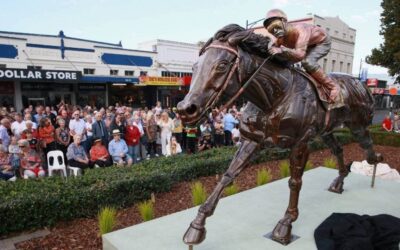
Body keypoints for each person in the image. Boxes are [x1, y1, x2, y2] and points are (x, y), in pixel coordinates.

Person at [263, 9, 340, 104]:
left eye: (277, 27)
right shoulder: (278, 38)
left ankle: (333, 87)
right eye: (272, 30)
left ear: (284, 22)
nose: (276, 32)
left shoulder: (300, 30)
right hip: (304, 46)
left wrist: (281, 50)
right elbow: (273, 51)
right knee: (284, 62)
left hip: (321, 43)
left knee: (308, 62)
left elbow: (300, 55)